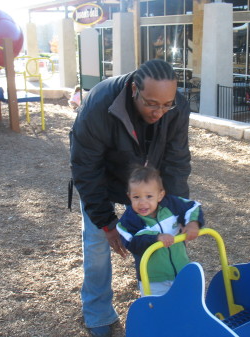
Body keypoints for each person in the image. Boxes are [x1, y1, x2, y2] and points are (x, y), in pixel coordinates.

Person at [70, 59, 191, 337]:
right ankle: (98, 313)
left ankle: (160, 304)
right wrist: (107, 222)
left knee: (160, 238)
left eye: (166, 104)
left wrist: (176, 210)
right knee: (98, 243)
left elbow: (177, 161)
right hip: (105, 176)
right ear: (135, 89)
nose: (160, 111)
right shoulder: (100, 104)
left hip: (147, 180)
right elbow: (86, 168)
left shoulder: (176, 105)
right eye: (152, 104)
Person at [116, 165, 203, 296]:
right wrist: (156, 237)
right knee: (159, 311)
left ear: (160, 195)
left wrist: (193, 223)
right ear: (129, 197)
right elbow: (132, 242)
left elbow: (192, 206)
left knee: (185, 305)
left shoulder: (171, 205)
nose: (142, 203)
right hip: (153, 279)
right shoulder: (129, 220)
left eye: (149, 196)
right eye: (136, 197)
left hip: (181, 271)